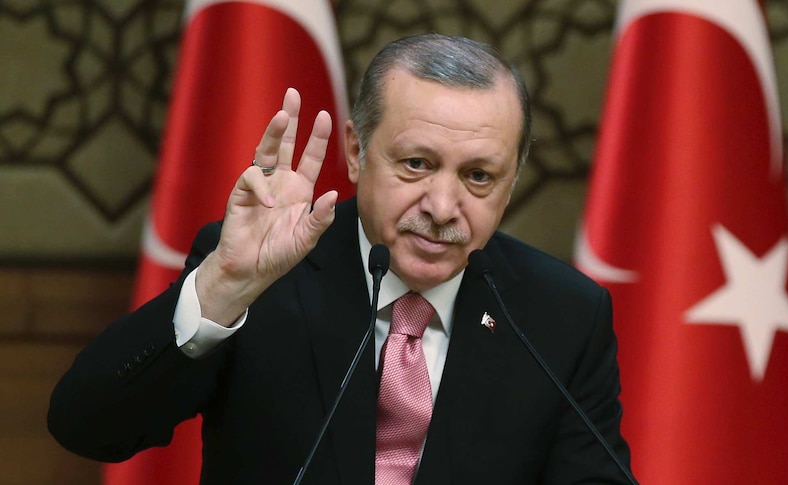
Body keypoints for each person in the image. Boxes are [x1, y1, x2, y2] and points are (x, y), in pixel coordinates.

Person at [48, 33, 633, 484]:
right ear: (356, 152)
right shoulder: (261, 274)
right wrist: (224, 286)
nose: (443, 206)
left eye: (478, 176)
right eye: (416, 164)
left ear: (510, 186)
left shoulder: (560, 314)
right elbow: (87, 427)